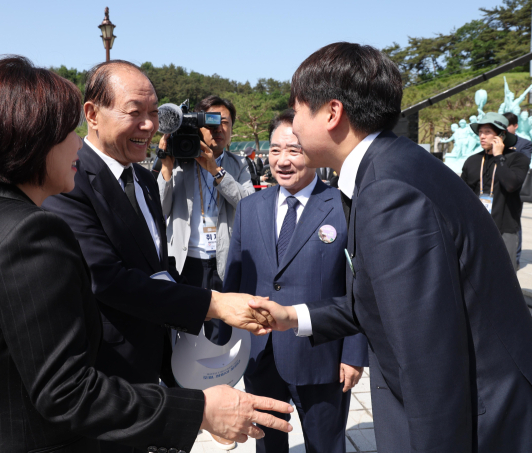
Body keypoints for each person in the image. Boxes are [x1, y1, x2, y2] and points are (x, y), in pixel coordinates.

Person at [0, 56, 293, 453]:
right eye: (66, 132)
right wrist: (199, 410)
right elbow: (66, 390)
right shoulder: (27, 232)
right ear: (30, 142)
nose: (76, 143)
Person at [250, 42, 532, 453]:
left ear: (331, 113)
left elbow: (428, 361)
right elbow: (385, 299)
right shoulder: (393, 165)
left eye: (298, 111)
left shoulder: (387, 192)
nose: (292, 126)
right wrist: (293, 316)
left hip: (475, 420)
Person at [41, 60, 288, 453]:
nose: (149, 125)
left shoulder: (140, 178)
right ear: (92, 113)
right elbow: (107, 279)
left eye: (155, 114)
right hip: (107, 381)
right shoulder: (69, 181)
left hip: (158, 370)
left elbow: (157, 267)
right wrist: (213, 304)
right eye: (135, 113)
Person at [224, 109, 368, 453]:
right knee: (267, 444)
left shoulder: (343, 206)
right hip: (261, 354)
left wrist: (354, 353)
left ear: (314, 152)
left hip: (322, 356)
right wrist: (223, 344)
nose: (282, 161)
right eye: (275, 150)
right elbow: (235, 278)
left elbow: (359, 287)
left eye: (294, 150)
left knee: (325, 444)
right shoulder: (250, 207)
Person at [157, 95, 254, 449]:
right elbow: (159, 209)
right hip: (186, 261)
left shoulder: (239, 164)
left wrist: (215, 169)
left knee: (219, 336)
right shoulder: (180, 162)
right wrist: (166, 166)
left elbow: (248, 205)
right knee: (181, 334)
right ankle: (184, 408)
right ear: (198, 126)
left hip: (222, 261)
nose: (219, 130)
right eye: (212, 123)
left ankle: (219, 413)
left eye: (225, 123)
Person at [460, 112, 530, 271]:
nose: (482, 136)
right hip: (476, 228)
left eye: (487, 132)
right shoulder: (472, 161)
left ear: (501, 135)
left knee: (505, 279)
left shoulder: (517, 159)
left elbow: (511, 185)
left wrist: (499, 156)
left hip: (505, 230)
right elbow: (462, 195)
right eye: (480, 132)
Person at [503, 111, 532, 269]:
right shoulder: (496, 141)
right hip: (496, 191)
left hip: (515, 191)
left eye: (508, 125)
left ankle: (515, 258)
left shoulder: (524, 144)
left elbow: (525, 162)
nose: (505, 129)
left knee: (513, 223)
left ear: (515, 126)